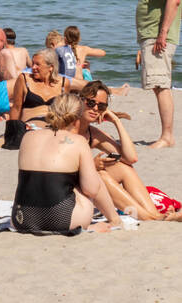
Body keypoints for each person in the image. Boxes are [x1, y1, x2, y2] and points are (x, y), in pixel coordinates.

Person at [12, 95, 123, 234]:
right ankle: (115, 220)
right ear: (77, 119)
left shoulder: (27, 136)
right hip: (62, 220)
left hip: (22, 219)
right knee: (92, 179)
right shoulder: (78, 141)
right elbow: (92, 190)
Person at [74, 80, 177, 222]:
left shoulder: (93, 134)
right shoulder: (67, 127)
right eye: (91, 103)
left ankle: (153, 213)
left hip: (82, 184)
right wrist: (91, 166)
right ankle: (150, 217)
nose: (95, 109)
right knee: (101, 175)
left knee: (123, 167)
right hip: (66, 186)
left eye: (101, 106)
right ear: (81, 101)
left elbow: (131, 158)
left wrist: (117, 121)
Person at [130, 0, 179, 148]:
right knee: (158, 85)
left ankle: (167, 136)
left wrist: (162, 34)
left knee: (161, 85)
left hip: (158, 36)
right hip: (152, 34)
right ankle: (166, 135)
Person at [7, 48, 72, 124]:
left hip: (53, 127)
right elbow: (16, 108)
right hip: (30, 126)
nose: (33, 67)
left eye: (37, 64)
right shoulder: (24, 79)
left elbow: (65, 112)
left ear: (51, 67)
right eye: (33, 63)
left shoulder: (64, 83)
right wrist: (12, 129)